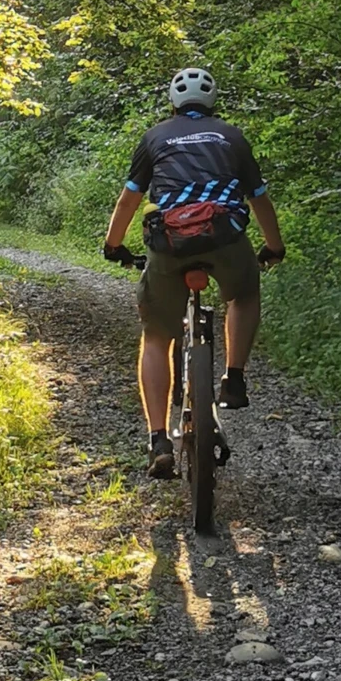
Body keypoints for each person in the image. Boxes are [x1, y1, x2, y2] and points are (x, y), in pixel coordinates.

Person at [102, 67, 285, 479]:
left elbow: (129, 201)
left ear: (173, 102)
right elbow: (260, 200)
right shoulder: (232, 137)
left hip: (170, 243)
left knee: (156, 337)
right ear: (212, 102)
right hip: (224, 240)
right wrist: (274, 247)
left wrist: (114, 246)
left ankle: (157, 441)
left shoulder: (155, 137)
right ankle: (233, 378)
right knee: (243, 293)